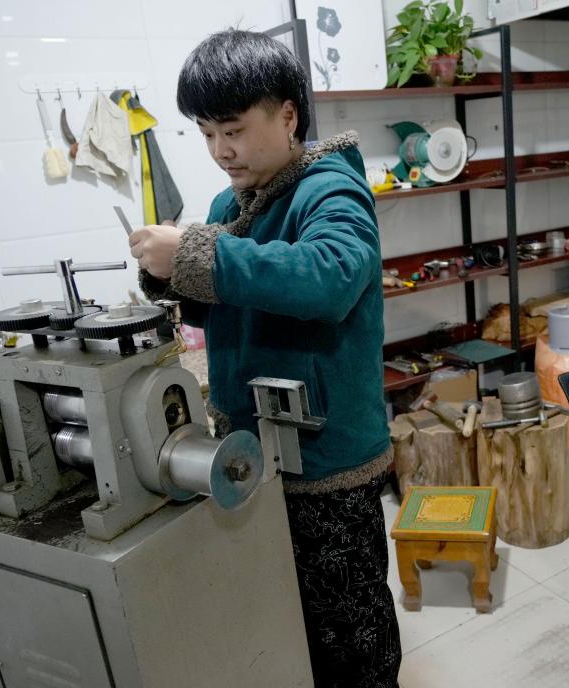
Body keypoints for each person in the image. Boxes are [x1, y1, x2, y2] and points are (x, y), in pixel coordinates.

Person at [128, 29, 400, 688]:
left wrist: (196, 254)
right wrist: (170, 275)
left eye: (234, 130)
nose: (220, 150)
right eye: (206, 133)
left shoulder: (330, 190)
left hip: (326, 459)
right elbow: (227, 305)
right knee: (285, 618)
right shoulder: (231, 203)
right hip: (256, 445)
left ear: (288, 115)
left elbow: (331, 277)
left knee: (351, 632)